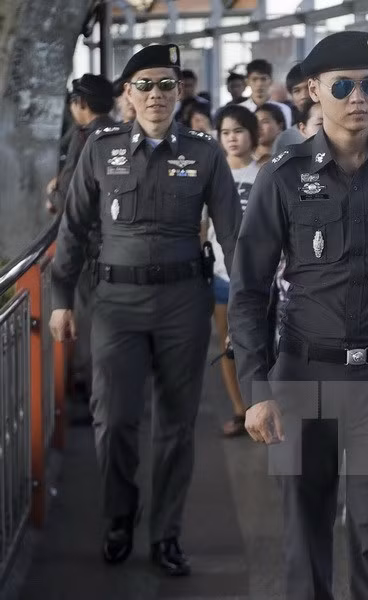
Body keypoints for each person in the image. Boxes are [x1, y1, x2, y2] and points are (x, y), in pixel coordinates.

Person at [228, 30, 368, 600]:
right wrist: (256, 385)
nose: (359, 97)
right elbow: (251, 287)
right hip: (302, 377)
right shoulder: (282, 177)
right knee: (305, 535)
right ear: (313, 91)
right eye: (344, 86)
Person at [48, 43, 243, 576]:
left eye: (166, 85)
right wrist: (61, 298)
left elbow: (234, 237)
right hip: (116, 305)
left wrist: (249, 312)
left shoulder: (204, 152)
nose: (156, 94)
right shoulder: (102, 147)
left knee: (178, 427)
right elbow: (73, 227)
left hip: (184, 303)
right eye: (145, 85)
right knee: (114, 421)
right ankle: (119, 517)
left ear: (178, 92)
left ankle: (167, 534)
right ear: (128, 95)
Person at [46, 74, 118, 419]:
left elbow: (72, 196)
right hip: (116, 246)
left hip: (89, 248)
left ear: (81, 105)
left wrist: (53, 192)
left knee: (90, 324)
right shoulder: (119, 134)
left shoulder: (86, 137)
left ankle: (94, 399)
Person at [206, 104, 261, 437]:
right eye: (225, 132)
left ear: (252, 134)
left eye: (238, 131)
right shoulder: (212, 174)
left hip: (259, 275)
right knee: (228, 345)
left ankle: (264, 405)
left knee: (261, 343)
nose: (232, 138)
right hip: (221, 273)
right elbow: (202, 226)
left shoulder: (264, 173)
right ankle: (240, 409)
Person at [239, 58, 293, 127]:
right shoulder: (240, 110)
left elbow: (285, 136)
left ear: (271, 81)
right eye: (254, 79)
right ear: (247, 82)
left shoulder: (283, 109)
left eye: (263, 79)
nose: (259, 84)